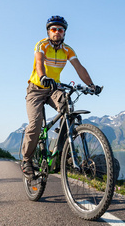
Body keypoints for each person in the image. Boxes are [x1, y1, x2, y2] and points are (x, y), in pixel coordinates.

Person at [21, 15, 101, 178]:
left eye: (60, 29)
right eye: (53, 29)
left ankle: (62, 151)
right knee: (35, 125)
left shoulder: (67, 50)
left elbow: (79, 68)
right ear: (48, 31)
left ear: (64, 33)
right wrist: (43, 76)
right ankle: (27, 160)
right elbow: (39, 62)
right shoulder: (41, 45)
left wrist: (91, 85)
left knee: (67, 106)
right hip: (36, 89)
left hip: (53, 89)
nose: (57, 32)